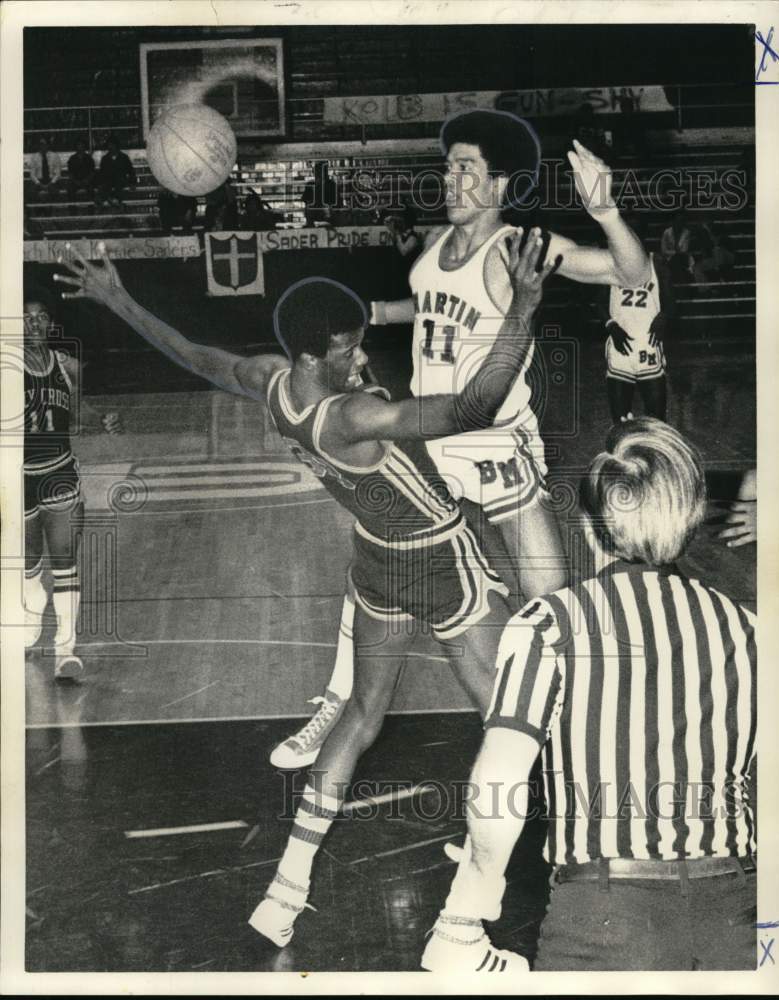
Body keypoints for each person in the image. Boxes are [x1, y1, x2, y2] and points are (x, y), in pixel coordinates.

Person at [55, 233, 557, 967]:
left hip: (375, 564)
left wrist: (117, 297)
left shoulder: (272, 383)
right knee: (509, 721)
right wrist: (523, 306)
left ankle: (284, 893)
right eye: (350, 350)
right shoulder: (352, 417)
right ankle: (509, 871)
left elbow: (195, 355)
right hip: (437, 561)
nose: (361, 359)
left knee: (358, 717)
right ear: (315, 355)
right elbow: (477, 404)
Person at [272, 108, 651, 769]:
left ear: (500, 184)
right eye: (448, 165)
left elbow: (627, 273)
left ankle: (583, 736)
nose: (449, 178)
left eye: (464, 168)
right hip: (428, 442)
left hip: (494, 448)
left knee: (549, 605)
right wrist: (384, 312)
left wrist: (607, 211)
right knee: (376, 561)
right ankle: (334, 703)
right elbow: (439, 310)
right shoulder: (435, 247)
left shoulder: (517, 246)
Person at [424, 418, 756, 972]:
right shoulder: (750, 631)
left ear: (586, 523)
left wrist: (470, 903)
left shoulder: (550, 624)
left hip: (603, 922)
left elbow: (500, 781)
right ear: (691, 519)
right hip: (734, 917)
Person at [23, 287, 120, 678]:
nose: (34, 323)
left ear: (50, 323)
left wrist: (101, 419)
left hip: (58, 470)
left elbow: (79, 407)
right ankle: (31, 626)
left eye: (41, 316)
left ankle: (66, 650)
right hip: (15, 476)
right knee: (27, 567)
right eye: (27, 317)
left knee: (64, 562)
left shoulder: (67, 365)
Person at [598, 250, 675, 422]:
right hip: (620, 347)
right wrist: (611, 325)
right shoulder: (610, 261)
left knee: (656, 421)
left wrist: (663, 316)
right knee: (620, 420)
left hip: (648, 345)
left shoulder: (657, 263)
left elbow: (672, 302)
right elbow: (599, 302)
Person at [96, 136, 136, 207]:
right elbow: (101, 173)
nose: (110, 147)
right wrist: (99, 183)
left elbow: (131, 171)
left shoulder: (124, 157)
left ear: (116, 146)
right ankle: (109, 201)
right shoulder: (105, 159)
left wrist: (132, 182)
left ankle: (113, 201)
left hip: (120, 180)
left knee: (118, 186)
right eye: (109, 145)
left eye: (112, 145)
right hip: (108, 181)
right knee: (104, 187)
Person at [27, 137, 62, 202]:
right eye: (41, 144)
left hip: (51, 180)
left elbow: (58, 174)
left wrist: (51, 183)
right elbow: (32, 174)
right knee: (30, 192)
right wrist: (39, 184)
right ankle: (38, 209)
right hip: (38, 180)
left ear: (48, 145)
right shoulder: (34, 157)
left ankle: (50, 209)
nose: (42, 146)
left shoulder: (55, 156)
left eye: (44, 144)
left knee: (55, 193)